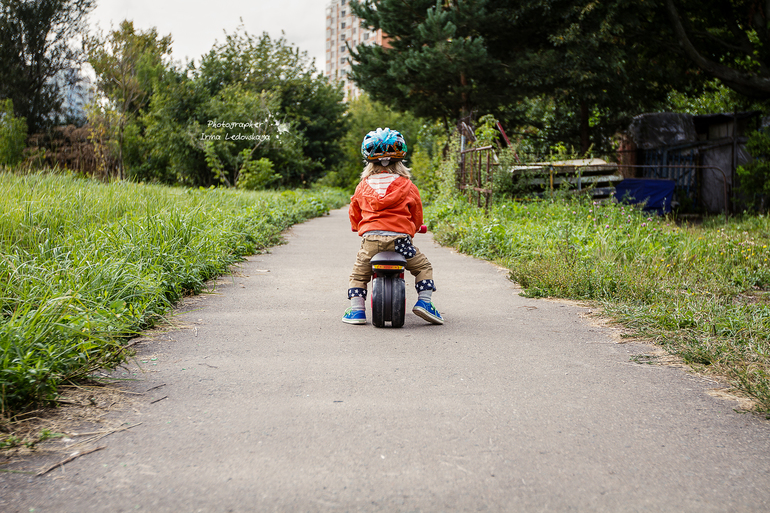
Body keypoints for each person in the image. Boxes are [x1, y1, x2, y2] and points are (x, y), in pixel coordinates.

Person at [343, 127, 443, 326]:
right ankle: (424, 302)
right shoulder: (407, 185)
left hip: (371, 242)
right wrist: (415, 227)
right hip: (400, 242)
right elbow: (416, 214)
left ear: (369, 162)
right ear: (399, 161)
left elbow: (354, 212)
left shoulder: (362, 186)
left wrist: (356, 226)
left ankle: (357, 311)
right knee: (423, 267)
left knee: (359, 274)